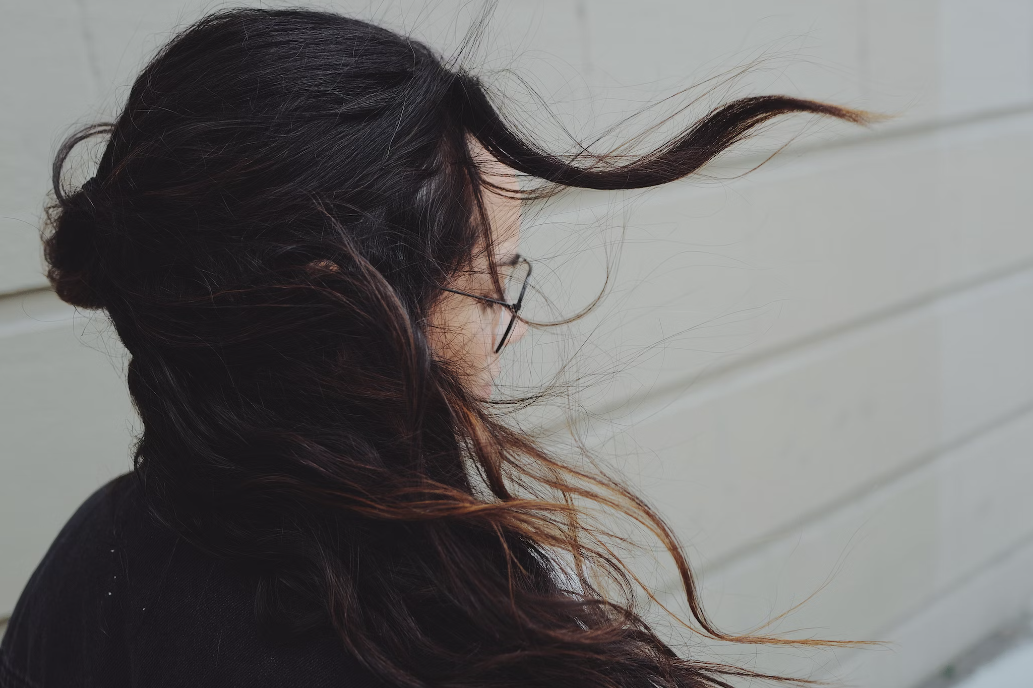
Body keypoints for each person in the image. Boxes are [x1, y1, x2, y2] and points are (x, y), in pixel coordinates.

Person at [0, 8, 870, 688]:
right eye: (493, 283)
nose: (515, 323)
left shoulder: (97, 549)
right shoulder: (436, 640)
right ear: (338, 316)